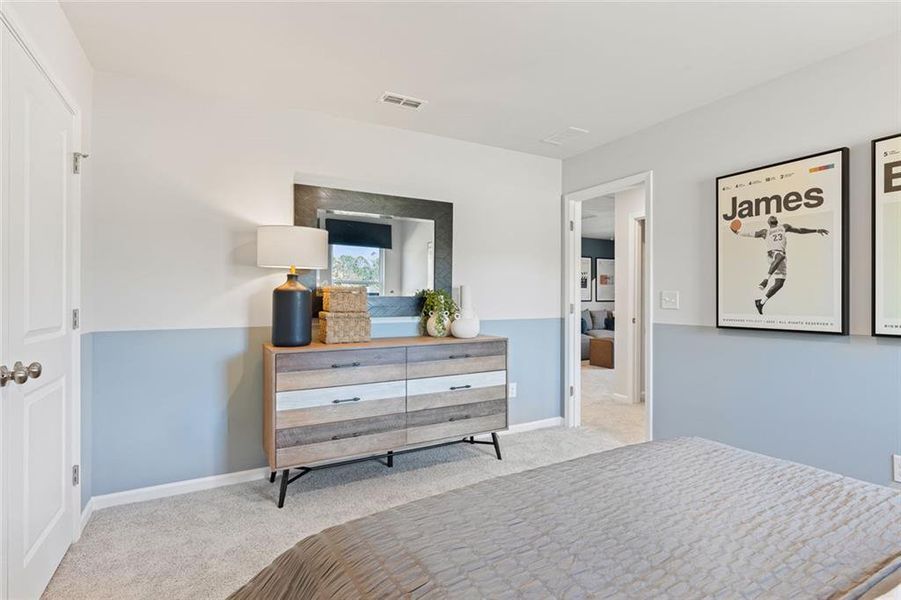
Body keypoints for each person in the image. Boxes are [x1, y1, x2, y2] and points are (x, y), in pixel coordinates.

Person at [733, 215, 828, 314]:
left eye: (773, 217)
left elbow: (800, 230)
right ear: (768, 222)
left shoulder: (784, 227)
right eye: (770, 217)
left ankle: (761, 303)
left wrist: (816, 230)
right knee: (780, 256)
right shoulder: (765, 232)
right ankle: (765, 280)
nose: (772, 217)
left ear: (776, 221)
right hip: (772, 254)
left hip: (781, 257)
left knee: (779, 283)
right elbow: (749, 234)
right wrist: (737, 232)